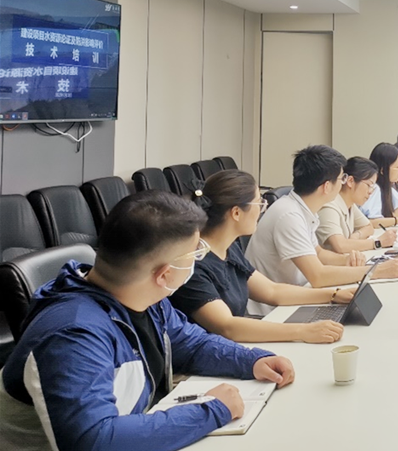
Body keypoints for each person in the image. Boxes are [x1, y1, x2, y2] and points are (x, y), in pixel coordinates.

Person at [0, 190, 296, 451]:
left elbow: (190, 344)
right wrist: (213, 410)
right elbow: (93, 441)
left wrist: (251, 361)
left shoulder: (143, 297)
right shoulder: (73, 334)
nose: (198, 259)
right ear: (165, 274)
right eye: (196, 252)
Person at [171, 170, 355, 344]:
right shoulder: (193, 263)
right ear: (236, 213)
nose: (263, 210)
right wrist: (303, 331)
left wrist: (333, 295)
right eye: (259, 204)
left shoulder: (228, 248)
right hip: (211, 357)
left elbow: (271, 291)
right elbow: (227, 327)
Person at [246, 145, 398, 316]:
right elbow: (318, 276)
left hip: (297, 296)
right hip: (273, 312)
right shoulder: (288, 215)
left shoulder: (302, 209)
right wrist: (376, 271)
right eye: (341, 178)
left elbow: (318, 253)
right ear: (326, 186)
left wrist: (346, 260)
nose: (343, 183)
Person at [317, 157, 398, 253]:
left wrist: (356, 236)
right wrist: (378, 242)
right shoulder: (329, 207)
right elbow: (340, 246)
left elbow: (368, 227)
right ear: (350, 181)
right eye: (369, 185)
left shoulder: (350, 205)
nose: (370, 191)